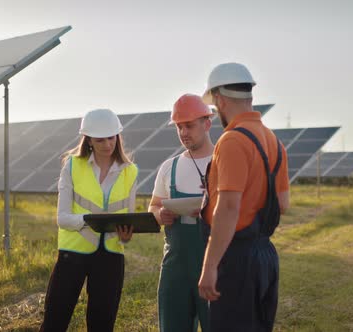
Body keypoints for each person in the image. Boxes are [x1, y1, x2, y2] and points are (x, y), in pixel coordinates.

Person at [197, 63, 290, 331]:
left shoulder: (231, 141)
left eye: (214, 107)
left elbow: (227, 208)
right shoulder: (274, 141)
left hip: (236, 260)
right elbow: (283, 204)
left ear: (220, 100)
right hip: (266, 258)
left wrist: (210, 266)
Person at [40, 108, 137, 332]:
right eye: (100, 139)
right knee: (54, 321)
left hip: (111, 257)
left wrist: (125, 236)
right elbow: (62, 218)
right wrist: (92, 220)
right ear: (89, 140)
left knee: (102, 325)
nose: (107, 144)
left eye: (111, 137)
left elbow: (127, 218)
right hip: (72, 254)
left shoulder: (130, 172)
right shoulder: (72, 166)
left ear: (118, 137)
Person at [148, 94, 213, 332]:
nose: (184, 132)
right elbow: (154, 205)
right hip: (175, 267)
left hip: (214, 264)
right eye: (179, 127)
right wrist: (159, 215)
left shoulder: (224, 160)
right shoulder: (169, 167)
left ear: (207, 123)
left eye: (190, 125)